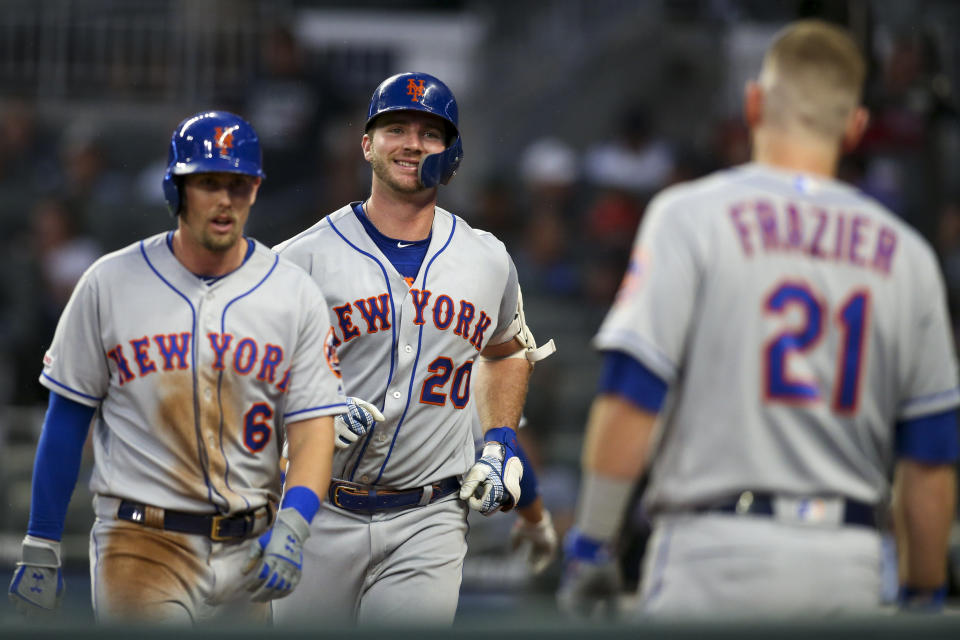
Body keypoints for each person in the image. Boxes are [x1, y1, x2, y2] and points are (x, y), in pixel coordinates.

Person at [559, 19, 958, 618]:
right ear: (855, 128)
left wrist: (592, 545)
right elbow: (928, 457)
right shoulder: (909, 255)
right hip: (846, 565)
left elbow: (631, 395)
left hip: (713, 555)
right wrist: (925, 592)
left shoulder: (689, 216)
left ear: (753, 103)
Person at [7, 111, 347, 624]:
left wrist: (294, 525)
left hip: (251, 545)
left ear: (255, 189)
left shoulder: (293, 292)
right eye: (208, 182)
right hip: (140, 540)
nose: (225, 199)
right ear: (177, 188)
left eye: (238, 183)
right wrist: (42, 538)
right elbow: (68, 417)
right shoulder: (109, 282)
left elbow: (315, 428)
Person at [272, 71, 555, 625]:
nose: (412, 144)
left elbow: (506, 352)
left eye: (430, 133)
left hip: (430, 517)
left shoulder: (487, 258)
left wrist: (498, 442)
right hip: (319, 508)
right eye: (395, 128)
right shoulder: (298, 259)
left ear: (452, 153)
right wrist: (309, 411)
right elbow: (245, 380)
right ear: (367, 144)